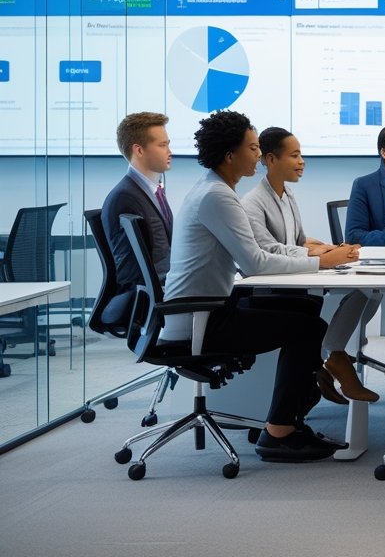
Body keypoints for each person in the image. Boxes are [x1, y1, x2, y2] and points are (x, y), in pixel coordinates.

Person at [162, 111, 351, 462]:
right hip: (201, 320)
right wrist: (320, 262)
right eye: (252, 148)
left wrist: (316, 255)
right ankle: (279, 431)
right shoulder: (218, 197)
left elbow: (261, 252)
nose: (257, 154)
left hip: (208, 309)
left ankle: (293, 413)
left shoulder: (214, 190)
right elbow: (255, 263)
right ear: (230, 155)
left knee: (306, 310)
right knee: (308, 327)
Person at [242, 127, 379, 404]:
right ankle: (333, 357)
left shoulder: (287, 194)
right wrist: (323, 258)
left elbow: (298, 239)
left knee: (366, 291)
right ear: (270, 159)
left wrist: (330, 248)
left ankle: (333, 355)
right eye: (294, 155)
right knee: (354, 294)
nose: (302, 161)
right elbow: (270, 249)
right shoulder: (252, 202)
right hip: (275, 286)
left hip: (294, 276)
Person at [99, 112, 174, 329]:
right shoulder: (125, 197)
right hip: (150, 297)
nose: (170, 152)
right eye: (162, 145)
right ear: (139, 150)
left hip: (165, 286)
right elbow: (132, 270)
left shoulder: (150, 191)